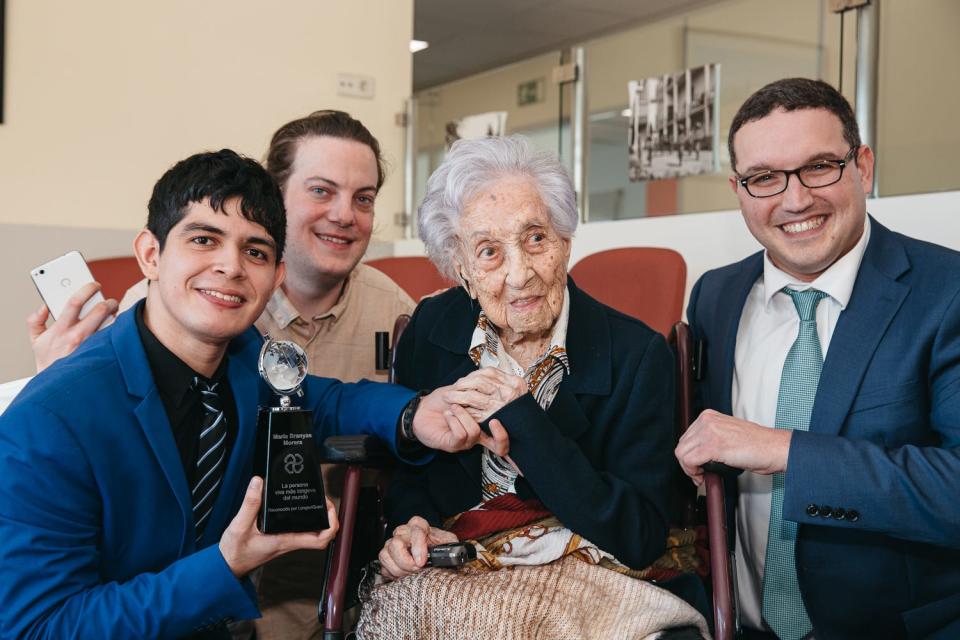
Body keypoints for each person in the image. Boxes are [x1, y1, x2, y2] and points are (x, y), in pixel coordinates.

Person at [0, 149, 500, 639]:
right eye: (203, 239)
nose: (231, 267)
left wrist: (416, 413)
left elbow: (324, 402)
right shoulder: (48, 419)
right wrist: (226, 564)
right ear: (151, 255)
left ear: (275, 276)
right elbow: (38, 627)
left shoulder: (244, 361)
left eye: (255, 251)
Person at [360, 136, 708, 639]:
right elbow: (411, 469)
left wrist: (524, 423)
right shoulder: (433, 330)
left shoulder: (636, 355)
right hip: (459, 576)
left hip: (599, 579)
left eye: (536, 239)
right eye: (489, 252)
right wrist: (413, 524)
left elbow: (640, 534)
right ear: (460, 268)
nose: (520, 273)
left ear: (566, 241)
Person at [674, 78, 960, 639]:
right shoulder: (714, 297)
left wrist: (780, 450)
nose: (796, 199)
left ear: (864, 166)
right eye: (764, 178)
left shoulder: (946, 292)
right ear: (739, 189)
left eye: (820, 166)